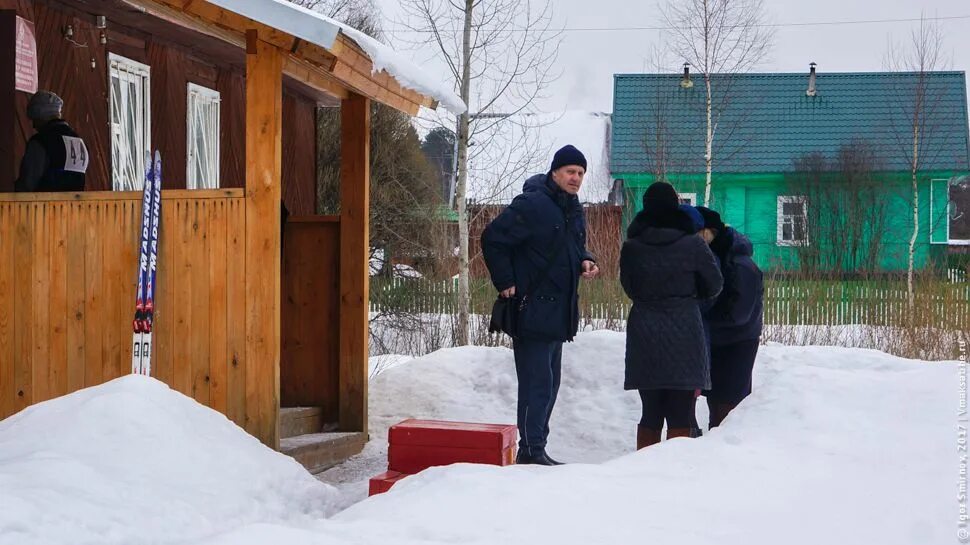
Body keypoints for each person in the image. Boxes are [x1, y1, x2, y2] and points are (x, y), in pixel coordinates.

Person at [481, 145, 599, 465]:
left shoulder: (573, 208)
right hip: (531, 308)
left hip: (560, 311)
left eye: (580, 173)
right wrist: (505, 281)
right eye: (570, 172)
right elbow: (492, 238)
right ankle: (532, 450)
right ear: (555, 173)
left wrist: (586, 261)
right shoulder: (532, 204)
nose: (576, 178)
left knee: (551, 382)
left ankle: (536, 446)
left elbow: (574, 248)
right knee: (538, 383)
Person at [620, 183, 722, 449]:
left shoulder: (632, 246)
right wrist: (690, 299)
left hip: (645, 329)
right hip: (685, 329)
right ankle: (674, 474)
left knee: (650, 411)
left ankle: (643, 466)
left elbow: (629, 287)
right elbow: (715, 284)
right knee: (680, 411)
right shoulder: (692, 245)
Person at [695, 207, 765, 428]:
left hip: (737, 344)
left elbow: (739, 314)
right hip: (719, 341)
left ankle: (725, 451)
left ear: (709, 232)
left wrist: (702, 321)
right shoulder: (717, 256)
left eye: (696, 233)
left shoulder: (739, 264)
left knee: (728, 407)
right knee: (716, 403)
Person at [15, 90, 88, 192]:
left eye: (35, 120)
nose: (34, 126)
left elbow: (27, 184)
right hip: (73, 206)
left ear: (42, 116)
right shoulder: (79, 141)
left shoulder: (41, 141)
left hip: (41, 206)